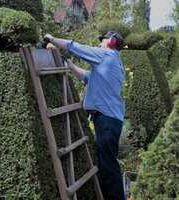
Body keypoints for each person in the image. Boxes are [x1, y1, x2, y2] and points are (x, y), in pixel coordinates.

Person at [44, 31, 125, 200]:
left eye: (102, 41)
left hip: (107, 119)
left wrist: (52, 39)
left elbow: (76, 46)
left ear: (111, 42)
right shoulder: (113, 62)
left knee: (109, 166)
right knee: (108, 163)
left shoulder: (106, 55)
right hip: (109, 118)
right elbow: (87, 76)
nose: (99, 44)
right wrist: (69, 64)